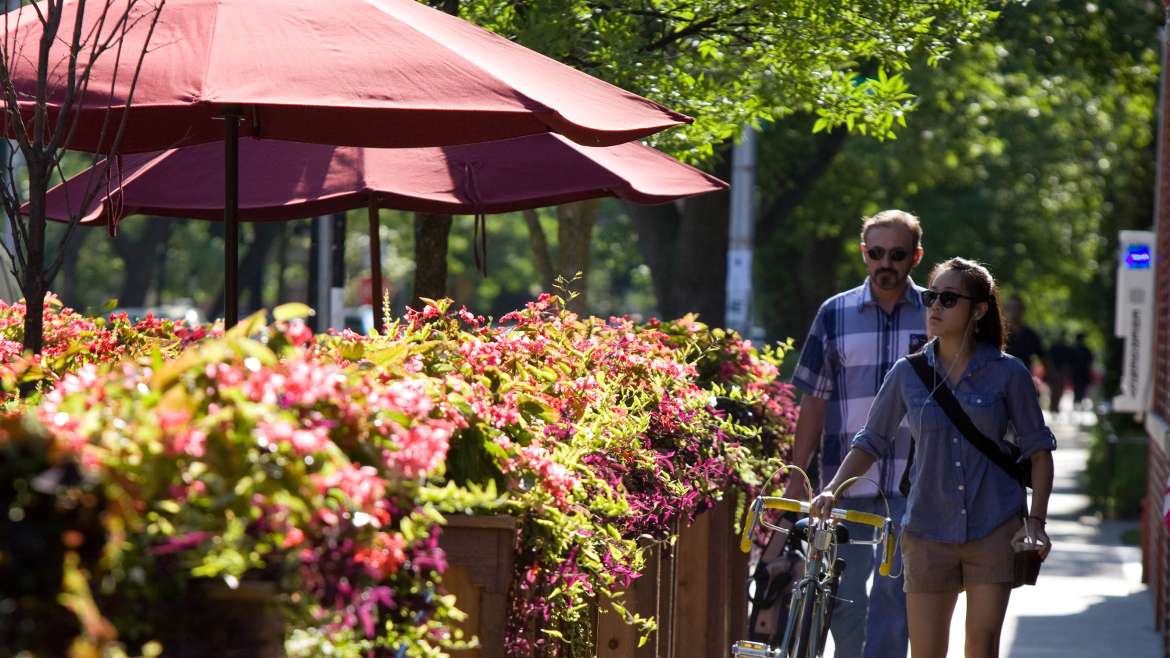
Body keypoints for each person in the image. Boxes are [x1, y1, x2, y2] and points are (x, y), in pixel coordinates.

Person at [811, 258, 1056, 658]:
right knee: (926, 652)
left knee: (981, 647)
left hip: (995, 525)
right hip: (926, 529)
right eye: (930, 297)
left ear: (978, 310)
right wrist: (833, 490)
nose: (935, 307)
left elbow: (1039, 451)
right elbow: (871, 440)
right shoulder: (907, 373)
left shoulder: (1009, 374)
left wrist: (1037, 523)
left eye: (948, 298)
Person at [788, 209, 928, 658]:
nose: (886, 262)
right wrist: (797, 475)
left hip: (915, 483)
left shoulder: (938, 313)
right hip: (844, 485)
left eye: (897, 253)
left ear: (916, 257)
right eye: (876, 252)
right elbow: (814, 401)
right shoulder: (835, 313)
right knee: (844, 601)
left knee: (897, 602)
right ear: (864, 254)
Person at [1070, 333, 1094, 407]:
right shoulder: (1075, 350)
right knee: (1078, 388)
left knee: (1080, 388)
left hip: (1081, 373)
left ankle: (1079, 402)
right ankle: (1078, 402)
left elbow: (1090, 362)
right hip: (1078, 373)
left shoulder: (1083, 350)